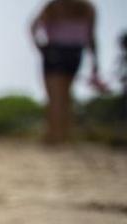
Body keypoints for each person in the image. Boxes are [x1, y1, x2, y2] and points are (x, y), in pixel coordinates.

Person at [31, 0, 105, 143]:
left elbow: (33, 27)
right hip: (76, 52)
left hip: (54, 51)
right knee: (65, 95)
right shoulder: (87, 8)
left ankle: (53, 135)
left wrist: (39, 47)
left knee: (54, 97)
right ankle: (64, 135)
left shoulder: (54, 6)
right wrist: (95, 63)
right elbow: (91, 36)